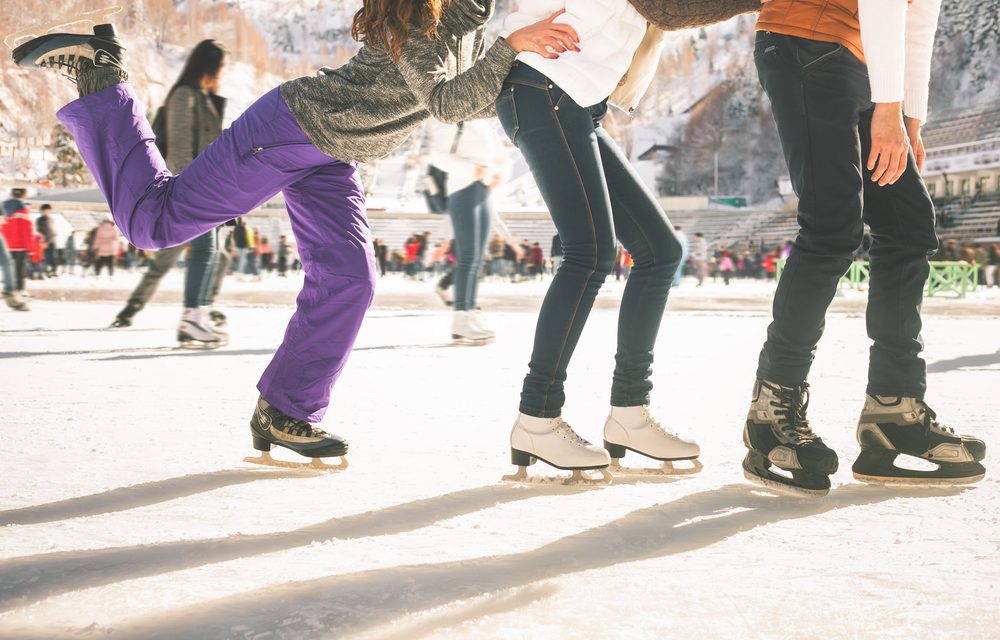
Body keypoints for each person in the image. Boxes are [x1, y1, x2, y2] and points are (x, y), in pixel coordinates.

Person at [12, 0, 577, 466]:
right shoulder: (424, 15)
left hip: (334, 154)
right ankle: (100, 73)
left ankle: (286, 411)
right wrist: (512, 49)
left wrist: (529, 70)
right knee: (152, 223)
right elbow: (446, 102)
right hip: (291, 129)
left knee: (351, 280)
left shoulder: (468, 18)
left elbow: (457, 99)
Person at [743, 0, 985, 496]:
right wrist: (890, 112)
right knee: (831, 228)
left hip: (861, 60)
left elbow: (917, 20)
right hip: (804, 42)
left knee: (909, 226)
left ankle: (893, 410)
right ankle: (771, 411)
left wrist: (909, 119)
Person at [496, 1, 699, 479]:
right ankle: (537, 417)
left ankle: (629, 414)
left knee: (660, 251)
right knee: (590, 252)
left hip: (575, 101)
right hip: (544, 86)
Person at [110, 40, 229, 348]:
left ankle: (198, 316)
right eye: (221, 67)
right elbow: (179, 151)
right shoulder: (184, 96)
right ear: (209, 66)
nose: (222, 73)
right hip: (194, 189)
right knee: (203, 252)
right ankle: (190, 319)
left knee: (213, 253)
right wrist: (195, 190)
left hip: (209, 189)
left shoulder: (203, 97)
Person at [427, 118, 507, 344]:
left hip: (483, 189)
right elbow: (438, 155)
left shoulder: (483, 122)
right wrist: (474, 169)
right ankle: (461, 318)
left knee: (477, 258)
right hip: (462, 189)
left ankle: (469, 312)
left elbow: (500, 156)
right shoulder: (453, 118)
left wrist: (498, 172)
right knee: (468, 256)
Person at [1, 189, 32, 309]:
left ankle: (11, 291)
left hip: (8, 243)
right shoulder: (21, 207)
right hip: (19, 245)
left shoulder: (6, 205)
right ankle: (15, 292)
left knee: (8, 264)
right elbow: (26, 229)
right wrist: (30, 247)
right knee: (15, 266)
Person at [36, 204, 57, 275]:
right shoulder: (39, 220)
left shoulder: (51, 219)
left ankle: (53, 271)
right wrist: (44, 242)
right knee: (46, 257)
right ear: (42, 211)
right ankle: (46, 271)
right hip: (44, 242)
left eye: (48, 210)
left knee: (53, 256)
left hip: (52, 241)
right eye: (44, 210)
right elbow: (40, 232)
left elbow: (53, 231)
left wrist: (53, 238)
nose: (46, 212)